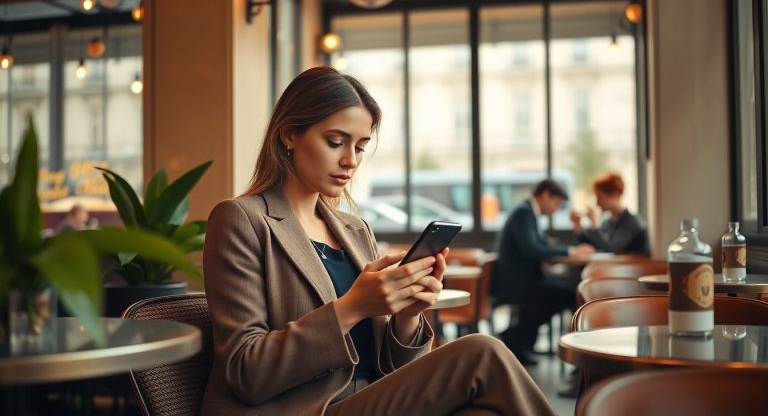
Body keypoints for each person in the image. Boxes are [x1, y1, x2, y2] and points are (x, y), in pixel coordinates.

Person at [200, 67, 556, 415]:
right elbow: (246, 373)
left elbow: (396, 368)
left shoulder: (356, 230)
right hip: (302, 407)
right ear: (289, 135)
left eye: (360, 146)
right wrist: (352, 306)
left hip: (371, 397)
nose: (350, 160)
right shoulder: (242, 220)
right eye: (335, 142)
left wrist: (408, 314)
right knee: (481, 351)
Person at [492, 179, 594, 366]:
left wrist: (556, 245)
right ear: (545, 195)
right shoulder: (524, 213)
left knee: (558, 293)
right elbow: (531, 249)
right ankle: (514, 337)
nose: (556, 209)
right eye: (556, 204)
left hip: (522, 280)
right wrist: (570, 251)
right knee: (567, 295)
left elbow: (539, 242)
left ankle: (519, 341)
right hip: (516, 283)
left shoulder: (526, 212)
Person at [570, 172, 649, 255]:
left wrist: (594, 224)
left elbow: (612, 249)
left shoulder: (631, 222)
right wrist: (578, 226)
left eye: (599, 197)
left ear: (615, 195)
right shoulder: (608, 223)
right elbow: (595, 246)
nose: (597, 203)